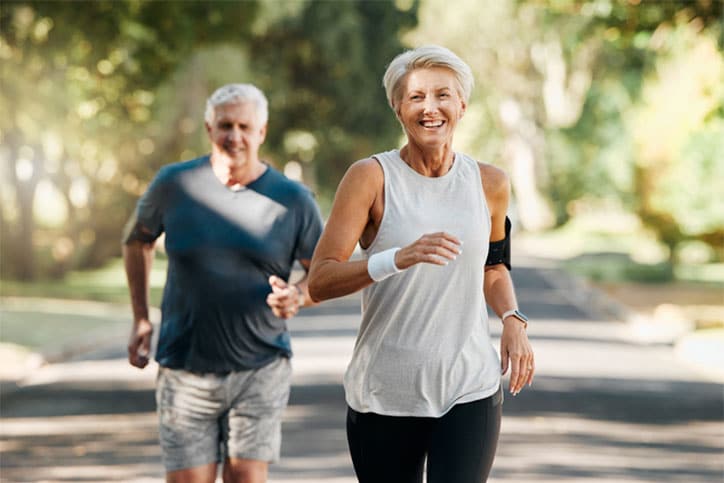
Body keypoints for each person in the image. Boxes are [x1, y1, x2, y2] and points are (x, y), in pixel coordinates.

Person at [307, 45, 535, 483]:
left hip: (469, 385)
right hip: (384, 391)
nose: (430, 108)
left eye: (442, 95)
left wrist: (511, 318)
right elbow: (320, 280)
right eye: (416, 98)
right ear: (397, 107)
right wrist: (396, 258)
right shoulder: (370, 178)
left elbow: (494, 266)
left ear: (462, 105)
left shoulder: (490, 183)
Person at [122, 83, 324, 483]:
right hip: (185, 366)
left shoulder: (293, 200)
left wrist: (298, 295)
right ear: (209, 129)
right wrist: (141, 318)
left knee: (246, 476)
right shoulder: (174, 184)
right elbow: (137, 240)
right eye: (226, 125)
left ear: (261, 132)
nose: (236, 136)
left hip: (261, 365)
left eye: (245, 127)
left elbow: (324, 270)